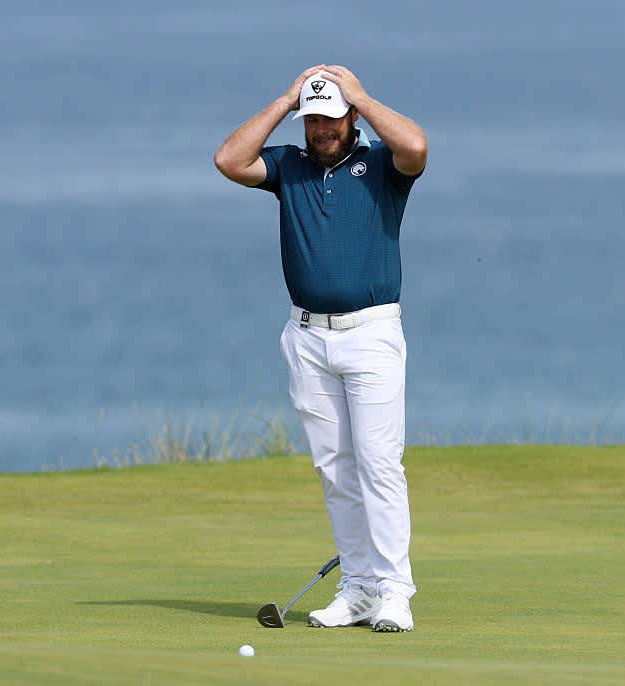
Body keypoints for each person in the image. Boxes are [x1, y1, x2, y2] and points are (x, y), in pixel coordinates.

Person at [214, 65, 427, 632]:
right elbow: (230, 160)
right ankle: (357, 588)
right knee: (336, 469)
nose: (322, 129)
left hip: (373, 335)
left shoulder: (383, 165)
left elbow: (417, 145)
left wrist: (359, 94)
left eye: (331, 117)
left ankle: (394, 591)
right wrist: (285, 99)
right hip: (308, 337)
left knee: (380, 465)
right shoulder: (287, 166)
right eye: (313, 119)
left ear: (351, 116)